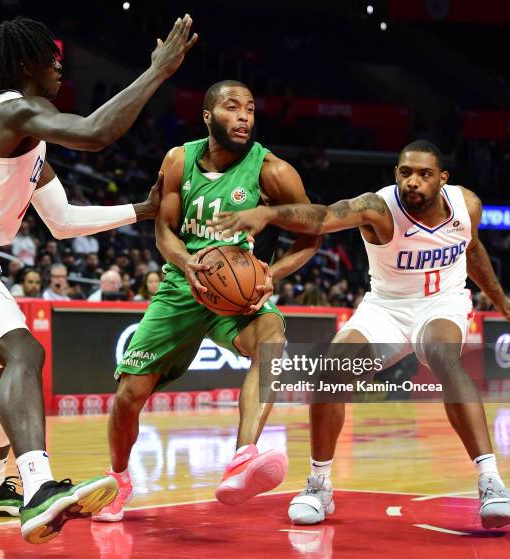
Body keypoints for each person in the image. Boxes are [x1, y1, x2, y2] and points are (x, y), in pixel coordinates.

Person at [0, 16, 196, 544]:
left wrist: (142, 209)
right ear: (24, 66)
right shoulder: (10, 110)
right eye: (50, 56)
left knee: (11, 363)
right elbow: (96, 133)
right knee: (24, 354)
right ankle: (37, 489)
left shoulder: (31, 144)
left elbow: (62, 222)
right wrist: (156, 72)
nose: (60, 64)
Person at [212, 139, 510, 529]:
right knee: (328, 373)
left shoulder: (466, 205)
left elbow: (473, 250)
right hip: (385, 309)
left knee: (442, 354)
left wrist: (501, 301)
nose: (413, 182)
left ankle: (491, 482)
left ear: (442, 179)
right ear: (396, 175)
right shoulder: (379, 207)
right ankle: (319, 484)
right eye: (405, 173)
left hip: (441, 304)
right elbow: (321, 218)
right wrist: (269, 213)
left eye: (424, 174)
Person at [93, 80, 321, 523]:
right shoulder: (179, 159)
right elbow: (163, 231)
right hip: (182, 285)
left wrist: (271, 274)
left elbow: (311, 235)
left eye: (250, 110)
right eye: (232, 108)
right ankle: (118, 480)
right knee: (128, 396)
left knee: (272, 334)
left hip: (238, 291)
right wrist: (187, 261)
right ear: (207, 115)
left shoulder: (272, 171)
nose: (243, 117)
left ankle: (243, 455)